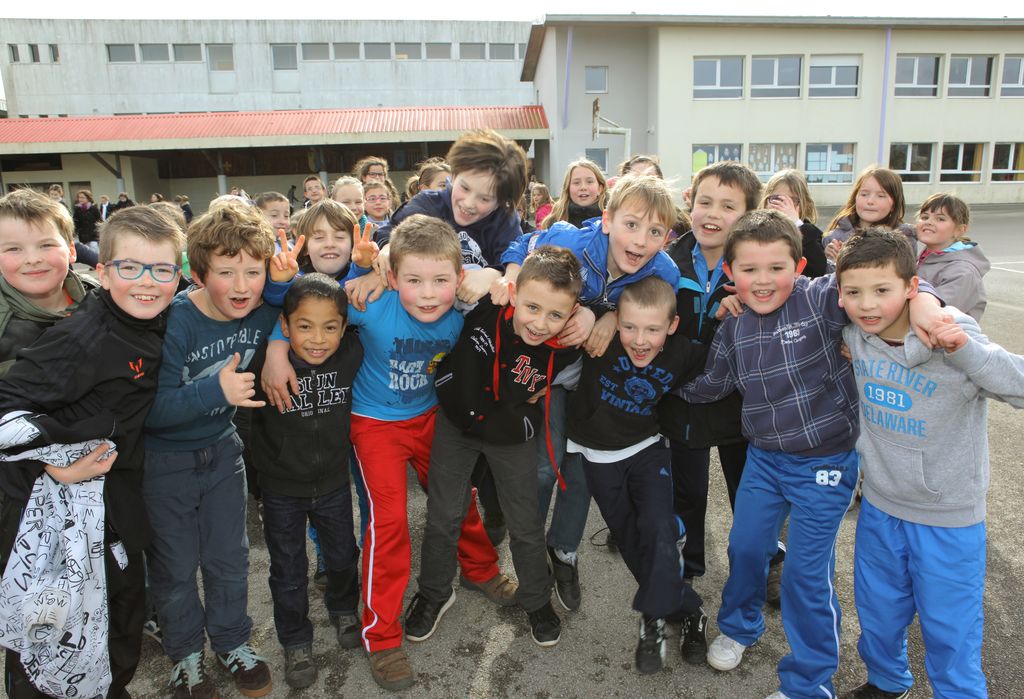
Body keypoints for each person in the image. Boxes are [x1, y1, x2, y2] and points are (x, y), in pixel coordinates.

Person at [682, 209, 944, 699]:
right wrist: (653, 377)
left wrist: (927, 302)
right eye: (750, 270)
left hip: (825, 463)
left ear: (800, 266)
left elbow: (886, 281)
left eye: (776, 268)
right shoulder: (733, 326)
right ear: (730, 273)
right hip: (764, 461)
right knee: (745, 548)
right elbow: (710, 385)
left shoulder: (821, 298)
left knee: (806, 575)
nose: (763, 281)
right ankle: (740, 626)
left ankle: (809, 682)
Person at [262, 214, 514, 692]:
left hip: (432, 417)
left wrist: (493, 275)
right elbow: (304, 309)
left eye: (440, 281)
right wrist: (277, 349)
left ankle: (480, 569)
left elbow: (519, 299)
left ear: (458, 278)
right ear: (394, 278)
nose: (427, 294)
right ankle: (381, 635)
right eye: (413, 280)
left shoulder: (463, 309)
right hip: (375, 425)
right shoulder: (371, 302)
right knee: (389, 523)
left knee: (458, 499)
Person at [0, 205, 184, 698]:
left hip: (116, 502)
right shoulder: (81, 338)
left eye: (161, 269)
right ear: (103, 273)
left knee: (120, 621)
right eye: (130, 267)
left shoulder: (151, 308)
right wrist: (49, 465)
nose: (146, 281)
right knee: (50, 636)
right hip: (53, 516)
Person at [834, 228, 1024, 699]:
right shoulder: (855, 335)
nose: (867, 304)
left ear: (911, 288)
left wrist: (966, 351)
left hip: (947, 517)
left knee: (950, 629)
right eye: (854, 292)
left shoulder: (950, 333)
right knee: (878, 611)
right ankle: (887, 682)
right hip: (881, 506)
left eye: (882, 290)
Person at [496, 174, 682, 613]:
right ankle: (528, 555)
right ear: (607, 220)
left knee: (581, 474)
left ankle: (563, 551)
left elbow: (656, 312)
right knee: (546, 469)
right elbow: (521, 248)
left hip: (600, 381)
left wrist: (611, 317)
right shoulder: (570, 241)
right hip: (554, 373)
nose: (641, 240)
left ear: (667, 238)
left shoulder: (664, 271)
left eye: (655, 231)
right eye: (631, 225)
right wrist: (513, 277)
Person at [142, 201, 297, 698]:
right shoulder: (176, 320)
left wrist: (277, 343)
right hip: (165, 461)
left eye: (253, 271)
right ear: (198, 273)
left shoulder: (263, 309)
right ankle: (185, 653)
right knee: (174, 566)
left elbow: (295, 303)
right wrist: (216, 391)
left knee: (229, 557)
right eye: (226, 272)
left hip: (223, 453)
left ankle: (232, 642)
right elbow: (151, 409)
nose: (241, 286)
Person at [405, 245, 583, 650]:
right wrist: (487, 273)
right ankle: (434, 592)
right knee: (443, 515)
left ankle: (536, 599)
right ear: (514, 293)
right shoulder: (485, 305)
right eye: (532, 307)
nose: (540, 323)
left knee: (525, 523)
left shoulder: (571, 349)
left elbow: (577, 381)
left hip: (511, 435)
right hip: (457, 423)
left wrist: (592, 321)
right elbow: (451, 273)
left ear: (572, 314)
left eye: (555, 315)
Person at [566, 277, 704, 674]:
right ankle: (690, 611)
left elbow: (729, 354)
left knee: (657, 527)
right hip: (597, 455)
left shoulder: (682, 351)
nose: (640, 340)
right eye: (630, 327)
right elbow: (558, 316)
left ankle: (652, 621)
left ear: (672, 326)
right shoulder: (602, 336)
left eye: (652, 330)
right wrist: (605, 316)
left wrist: (734, 312)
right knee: (630, 541)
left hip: (648, 448)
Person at [658, 161, 771, 626]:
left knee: (750, 496)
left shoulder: (756, 266)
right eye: (705, 202)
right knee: (687, 493)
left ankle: (763, 564)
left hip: (742, 408)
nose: (713, 214)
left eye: (728, 206)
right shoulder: (665, 262)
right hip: (683, 402)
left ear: (748, 214)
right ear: (690, 202)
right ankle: (686, 570)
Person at [249, 273, 363, 689]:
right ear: (285, 326)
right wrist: (258, 483)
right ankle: (296, 639)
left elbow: (371, 305)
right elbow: (246, 425)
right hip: (281, 489)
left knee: (342, 555)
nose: (317, 339)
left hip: (333, 483)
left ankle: (343, 608)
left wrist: (368, 269)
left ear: (344, 328)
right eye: (304, 326)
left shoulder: (350, 352)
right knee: (288, 569)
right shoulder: (264, 366)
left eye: (330, 327)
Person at [0, 189, 98, 377]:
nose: (33, 259)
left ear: (71, 251)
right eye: (14, 249)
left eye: (46, 245)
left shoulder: (100, 296)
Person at [914, 192, 989, 321]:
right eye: (925, 217)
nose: (929, 222)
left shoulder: (963, 272)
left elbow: (936, 312)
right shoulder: (926, 257)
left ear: (960, 229)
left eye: (940, 219)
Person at [822, 167, 916, 264]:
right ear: (855, 198)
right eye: (864, 194)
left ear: (894, 204)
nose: (870, 201)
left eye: (880, 196)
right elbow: (828, 273)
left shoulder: (904, 241)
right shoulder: (835, 237)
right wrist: (831, 261)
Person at [760, 169, 827, 278]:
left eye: (792, 201)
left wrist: (796, 225)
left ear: (804, 203)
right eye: (776, 199)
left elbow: (818, 269)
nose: (783, 206)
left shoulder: (810, 235)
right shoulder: (755, 230)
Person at [540, 159, 607, 229]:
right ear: (568, 188)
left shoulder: (612, 219)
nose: (583, 187)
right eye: (576, 183)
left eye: (589, 182)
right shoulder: (555, 221)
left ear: (600, 188)